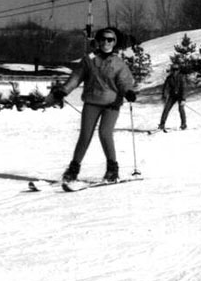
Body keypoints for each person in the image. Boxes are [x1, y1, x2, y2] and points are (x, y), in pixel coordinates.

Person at [49, 27, 136, 183]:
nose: (106, 43)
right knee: (85, 135)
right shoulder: (89, 60)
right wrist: (64, 90)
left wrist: (128, 91)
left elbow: (124, 81)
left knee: (105, 133)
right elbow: (76, 77)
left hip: (111, 104)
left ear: (114, 42)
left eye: (110, 40)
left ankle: (112, 170)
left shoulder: (118, 63)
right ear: (97, 41)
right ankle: (73, 170)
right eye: (103, 39)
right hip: (92, 102)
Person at [158, 67, 188, 131]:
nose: (175, 71)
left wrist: (183, 99)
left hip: (180, 96)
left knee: (181, 109)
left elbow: (184, 88)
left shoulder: (181, 77)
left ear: (178, 70)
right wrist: (164, 96)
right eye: (173, 70)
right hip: (173, 96)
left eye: (176, 70)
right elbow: (166, 87)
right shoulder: (169, 78)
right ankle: (162, 124)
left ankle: (183, 124)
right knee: (166, 109)